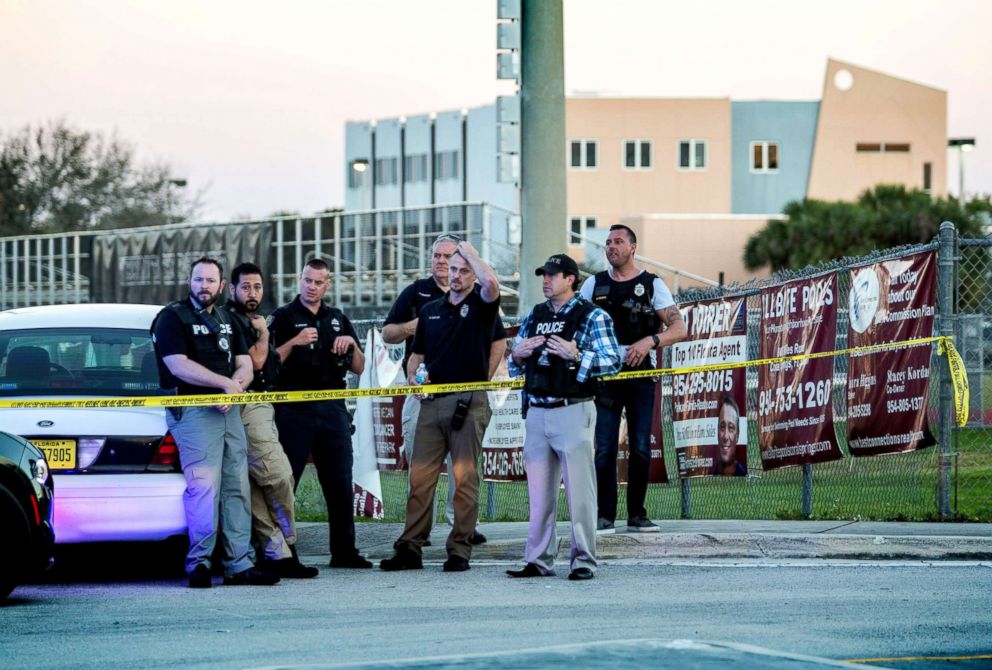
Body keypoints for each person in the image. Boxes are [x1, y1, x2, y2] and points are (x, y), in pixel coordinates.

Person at [151, 257, 279, 588]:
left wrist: (234, 387)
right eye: (198, 280)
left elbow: (245, 364)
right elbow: (177, 365)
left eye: (210, 281)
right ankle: (199, 564)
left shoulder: (226, 319)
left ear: (222, 286)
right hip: (194, 411)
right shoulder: (171, 317)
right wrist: (222, 384)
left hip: (229, 411)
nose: (203, 286)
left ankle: (239, 564)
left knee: (237, 487)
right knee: (204, 489)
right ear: (189, 281)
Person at [379, 240, 500, 573]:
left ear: (472, 273)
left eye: (463, 269)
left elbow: (491, 285)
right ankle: (410, 549)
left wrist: (470, 253)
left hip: (468, 401)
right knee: (420, 478)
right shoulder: (430, 309)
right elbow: (416, 354)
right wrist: (413, 378)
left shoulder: (482, 305)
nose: (457, 274)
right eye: (454, 268)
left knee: (464, 478)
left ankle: (459, 549)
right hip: (431, 403)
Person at [506, 253, 622, 581]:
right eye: (543, 275)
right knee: (539, 494)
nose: (546, 280)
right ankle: (539, 560)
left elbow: (613, 361)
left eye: (553, 275)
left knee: (580, 492)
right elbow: (515, 361)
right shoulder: (536, 315)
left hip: (573, 408)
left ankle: (584, 559)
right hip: (538, 410)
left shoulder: (591, 315)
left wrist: (577, 354)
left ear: (571, 279)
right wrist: (517, 353)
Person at [579, 224, 686, 534]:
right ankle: (604, 516)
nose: (611, 246)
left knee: (640, 446)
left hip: (641, 376)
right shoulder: (593, 285)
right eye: (608, 242)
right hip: (605, 377)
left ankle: (637, 514)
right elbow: (576, 322)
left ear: (633, 248)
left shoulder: (652, 284)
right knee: (604, 447)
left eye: (618, 241)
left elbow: (679, 329)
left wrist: (650, 341)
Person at [268, 258, 372, 569]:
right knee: (287, 483)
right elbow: (268, 364)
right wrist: (295, 342)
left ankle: (344, 552)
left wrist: (351, 343)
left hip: (332, 408)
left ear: (328, 284)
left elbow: (360, 366)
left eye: (319, 282)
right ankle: (284, 552)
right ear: (299, 280)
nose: (312, 287)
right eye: (307, 281)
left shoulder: (337, 318)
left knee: (339, 481)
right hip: (293, 410)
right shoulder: (282, 317)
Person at [220, 262, 318, 578]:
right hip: (247, 407)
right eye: (246, 286)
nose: (252, 293)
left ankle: (277, 554)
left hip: (262, 404)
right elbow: (258, 361)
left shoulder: (251, 318)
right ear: (231, 288)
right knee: (279, 476)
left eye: (258, 287)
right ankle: (289, 542)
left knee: (257, 487)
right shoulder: (234, 320)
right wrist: (263, 334)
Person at [713, 395, 747, 477]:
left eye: (731, 428)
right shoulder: (712, 471)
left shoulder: (743, 473)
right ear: (717, 432)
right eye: (722, 427)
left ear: (737, 435)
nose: (725, 436)